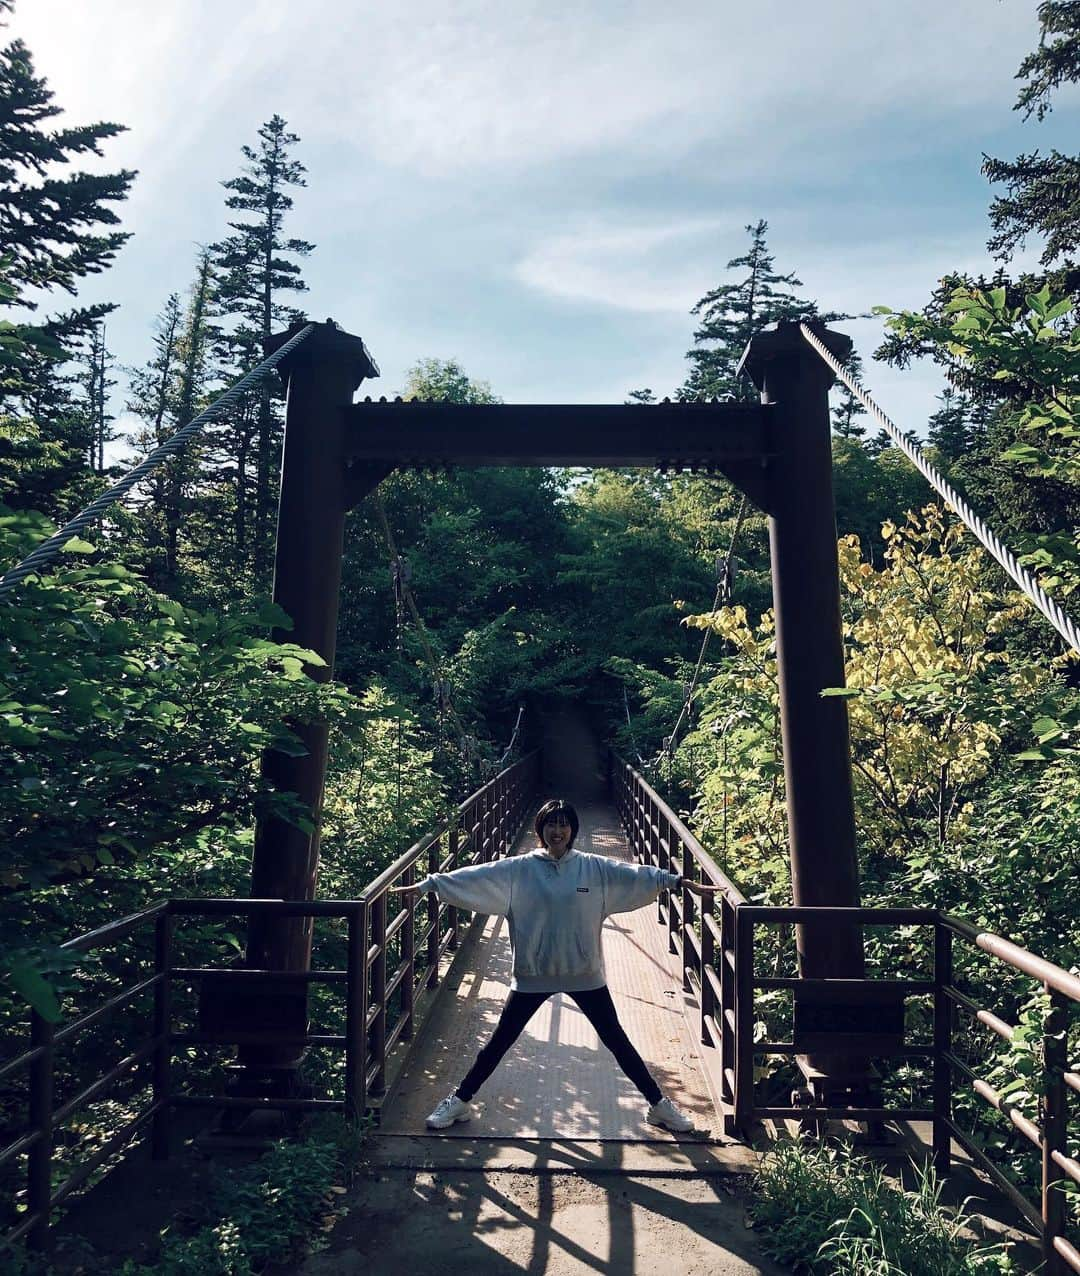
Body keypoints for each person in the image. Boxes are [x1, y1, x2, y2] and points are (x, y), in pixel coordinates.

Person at [390, 797, 724, 1134]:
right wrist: (429, 885)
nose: (558, 831)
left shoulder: (593, 867)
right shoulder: (519, 869)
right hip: (534, 974)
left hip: (584, 973)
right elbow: (476, 876)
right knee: (500, 1041)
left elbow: (633, 874)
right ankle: (459, 1102)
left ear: (573, 829)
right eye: (551, 823)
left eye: (564, 824)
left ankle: (659, 1107)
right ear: (541, 828)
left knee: (617, 1041)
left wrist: (676, 882)